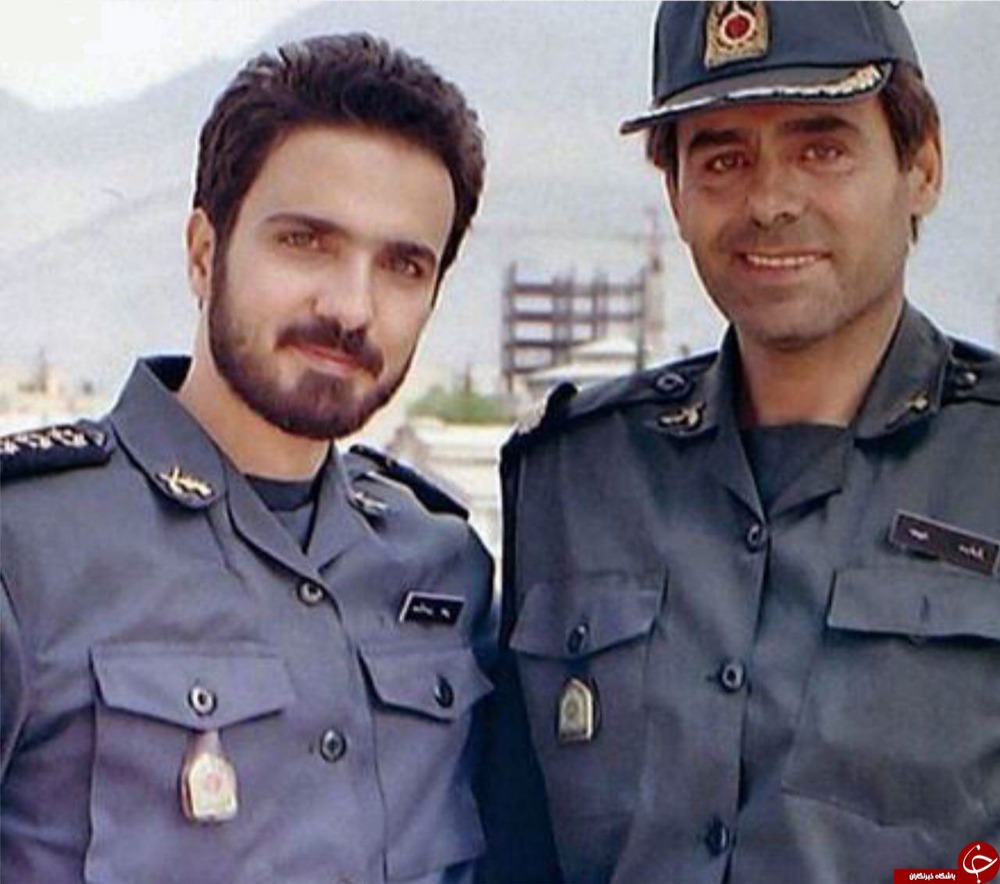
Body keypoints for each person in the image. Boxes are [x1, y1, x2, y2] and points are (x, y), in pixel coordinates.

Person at [492, 2, 1000, 882]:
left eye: (822, 149)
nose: (770, 202)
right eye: (723, 159)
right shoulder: (575, 480)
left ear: (922, 168)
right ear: (676, 197)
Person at [1, 33, 493, 884]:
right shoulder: (26, 554)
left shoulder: (443, 568)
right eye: (306, 241)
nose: (351, 307)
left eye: (403, 265)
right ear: (205, 252)